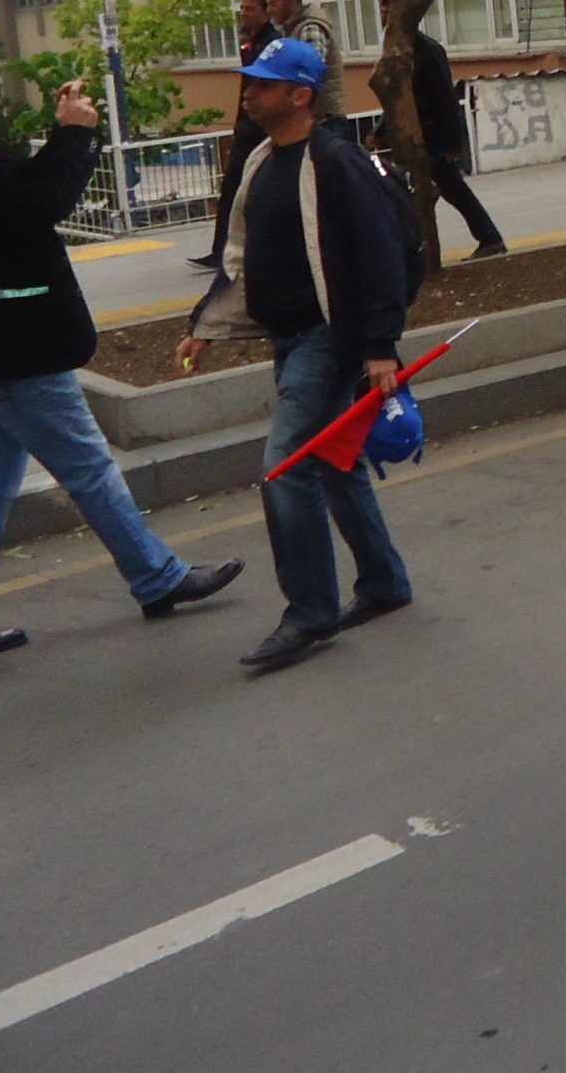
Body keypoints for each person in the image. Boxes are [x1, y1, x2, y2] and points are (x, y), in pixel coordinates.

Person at [0, 60, 243, 668]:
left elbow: (27, 188)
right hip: (15, 347)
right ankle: (158, 578)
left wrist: (66, 132)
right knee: (88, 466)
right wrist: (77, 135)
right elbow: (40, 204)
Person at [177, 37, 415, 673]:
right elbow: (240, 257)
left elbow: (380, 253)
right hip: (288, 338)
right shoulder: (261, 161)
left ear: (300, 95)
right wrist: (206, 324)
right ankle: (384, 582)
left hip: (326, 340)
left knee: (285, 468)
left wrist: (380, 346)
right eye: (250, 82)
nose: (249, 93)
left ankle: (309, 613)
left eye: (263, 84)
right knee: (336, 463)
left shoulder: (335, 160)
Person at [191, 0, 274, 271]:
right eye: (242, 8)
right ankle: (222, 249)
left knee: (247, 186)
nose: (244, 14)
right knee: (232, 188)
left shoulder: (271, 43)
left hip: (260, 125)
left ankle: (237, 249)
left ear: (265, 11)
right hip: (248, 123)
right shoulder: (249, 40)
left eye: (251, 9)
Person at [411, 25, 506, 260]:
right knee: (446, 189)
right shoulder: (400, 52)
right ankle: (489, 238)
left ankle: (490, 238)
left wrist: (453, 141)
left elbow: (446, 97)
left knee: (451, 188)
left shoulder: (428, 50)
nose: (384, 18)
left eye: (388, 11)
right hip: (417, 134)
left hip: (434, 133)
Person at [264, 0, 352, 138]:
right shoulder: (292, 30)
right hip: (315, 116)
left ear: (291, 2)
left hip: (324, 118)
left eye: (273, 4)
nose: (269, 10)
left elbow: (311, 67)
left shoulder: (310, 28)